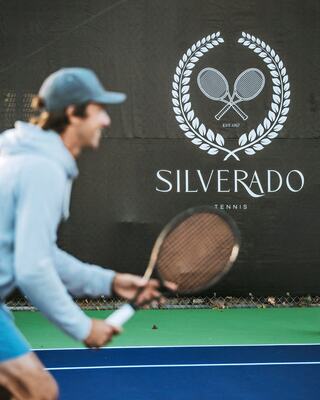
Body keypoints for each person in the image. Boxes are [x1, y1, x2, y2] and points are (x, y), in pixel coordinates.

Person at [0, 68, 172, 400]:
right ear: (72, 113)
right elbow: (33, 268)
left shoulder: (21, 153)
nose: (107, 121)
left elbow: (39, 252)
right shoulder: (43, 168)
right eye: (99, 110)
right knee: (36, 390)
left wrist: (109, 281)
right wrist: (84, 328)